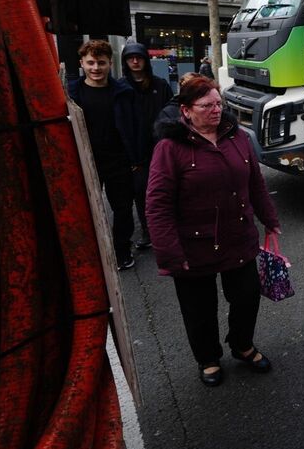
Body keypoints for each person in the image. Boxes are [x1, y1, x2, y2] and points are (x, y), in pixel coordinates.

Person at [146, 75, 281, 387]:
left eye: (219, 104)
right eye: (206, 105)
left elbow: (256, 184)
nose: (216, 110)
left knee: (247, 297)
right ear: (186, 110)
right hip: (193, 247)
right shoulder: (170, 148)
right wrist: (169, 254)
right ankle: (208, 358)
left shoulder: (239, 138)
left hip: (238, 238)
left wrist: (270, 220)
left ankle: (242, 345)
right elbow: (157, 204)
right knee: (199, 309)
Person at [68, 39, 138, 270]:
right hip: (87, 160)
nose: (95, 68)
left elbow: (133, 127)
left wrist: (134, 158)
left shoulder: (124, 93)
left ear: (110, 63)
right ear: (81, 63)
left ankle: (121, 251)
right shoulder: (71, 93)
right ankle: (93, 252)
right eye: (90, 63)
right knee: (88, 209)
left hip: (119, 160)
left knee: (123, 209)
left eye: (101, 63)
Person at [121, 41, 173, 251]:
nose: (135, 62)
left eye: (139, 57)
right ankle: (147, 230)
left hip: (161, 147)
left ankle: (167, 228)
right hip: (137, 151)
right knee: (141, 194)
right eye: (130, 58)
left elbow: (172, 112)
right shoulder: (122, 87)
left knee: (167, 190)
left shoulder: (160, 85)